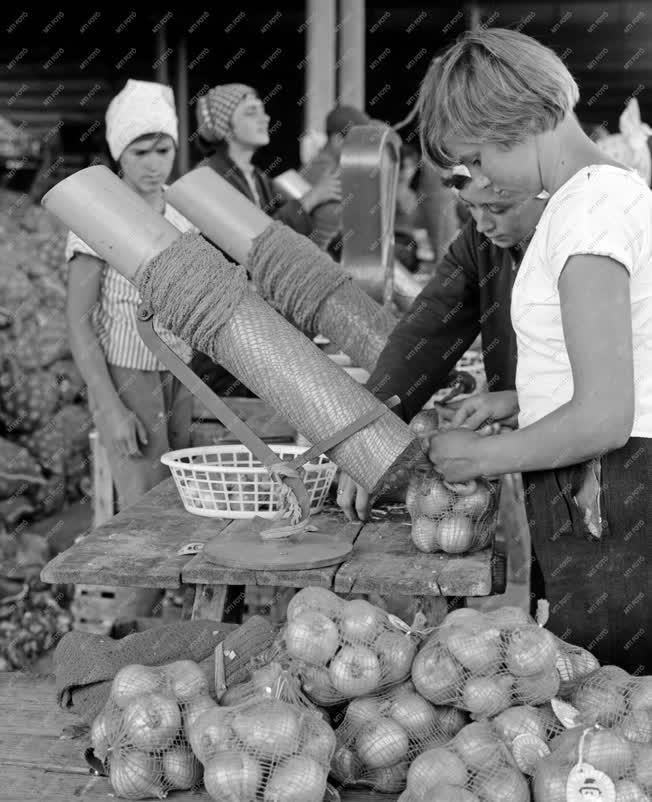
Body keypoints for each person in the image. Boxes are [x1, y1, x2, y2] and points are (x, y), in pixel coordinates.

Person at [418, 27, 651, 671]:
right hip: (608, 489)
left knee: (608, 705)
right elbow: (625, 361)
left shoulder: (587, 214)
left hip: (616, 495)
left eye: (479, 160)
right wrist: (521, 397)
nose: (482, 184)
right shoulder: (601, 196)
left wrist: (482, 458)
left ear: (521, 123)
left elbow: (605, 416)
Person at [337, 176, 548, 524]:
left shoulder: (585, 231)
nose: (482, 224)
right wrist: (370, 432)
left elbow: (610, 381)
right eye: (470, 207)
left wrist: (524, 400)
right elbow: (429, 330)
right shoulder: (483, 239)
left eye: (497, 207)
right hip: (536, 465)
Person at [65, 79, 196, 511]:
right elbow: (78, 324)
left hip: (179, 370)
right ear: (118, 151)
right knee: (143, 516)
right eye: (140, 153)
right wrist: (110, 408)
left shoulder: (182, 215)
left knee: (182, 508)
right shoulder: (95, 214)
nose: (153, 165)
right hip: (127, 375)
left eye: (163, 151)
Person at [195, 84, 340, 235]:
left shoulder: (258, 177)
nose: (265, 118)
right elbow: (248, 239)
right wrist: (311, 199)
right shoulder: (209, 175)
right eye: (251, 112)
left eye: (262, 111)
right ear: (225, 128)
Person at [301, 104, 371, 253]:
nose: (362, 149)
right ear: (338, 140)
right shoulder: (323, 171)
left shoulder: (329, 168)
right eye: (359, 142)